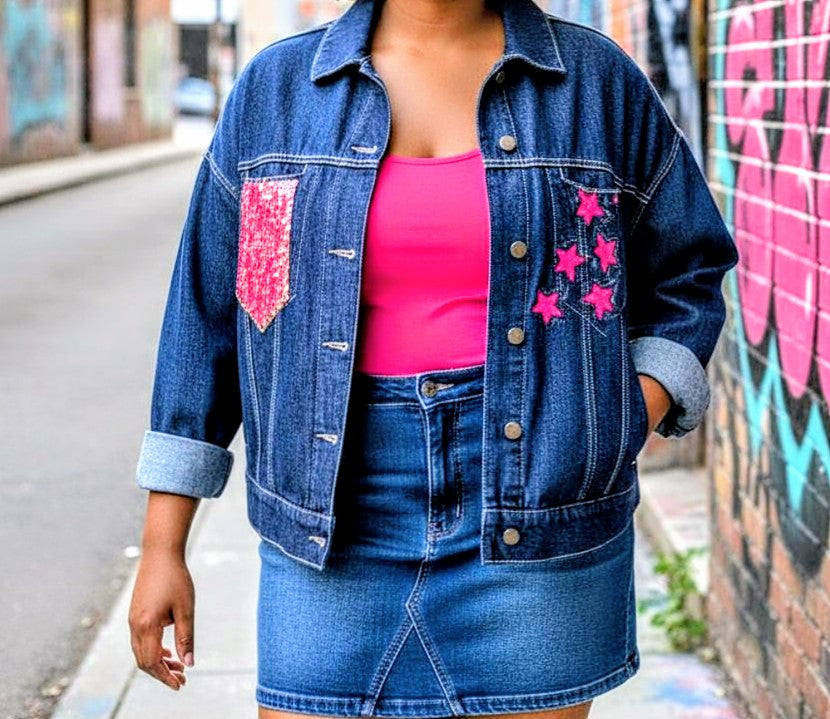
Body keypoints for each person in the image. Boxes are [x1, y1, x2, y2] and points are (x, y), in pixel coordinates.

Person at [128, 0, 739, 717]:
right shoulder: (280, 92)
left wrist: (624, 416)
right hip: (329, 525)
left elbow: (688, 270)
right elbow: (210, 314)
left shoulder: (593, 82)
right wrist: (163, 544)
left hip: (541, 515)